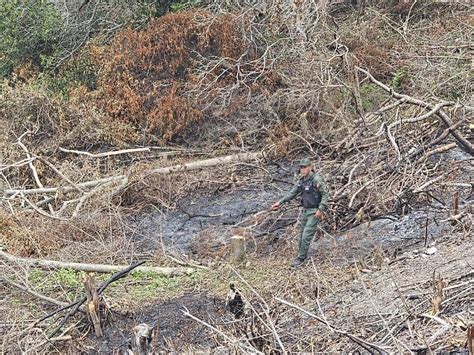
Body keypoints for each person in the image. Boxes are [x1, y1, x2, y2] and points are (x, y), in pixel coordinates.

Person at [271, 158, 329, 267]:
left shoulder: (316, 179)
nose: (302, 169)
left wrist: (321, 209)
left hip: (314, 211)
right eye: (301, 167)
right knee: (302, 234)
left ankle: (300, 259)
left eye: (305, 167)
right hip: (305, 211)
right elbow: (292, 193)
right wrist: (280, 202)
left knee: (306, 235)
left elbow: (325, 194)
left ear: (310, 167)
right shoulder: (302, 180)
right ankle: (301, 254)